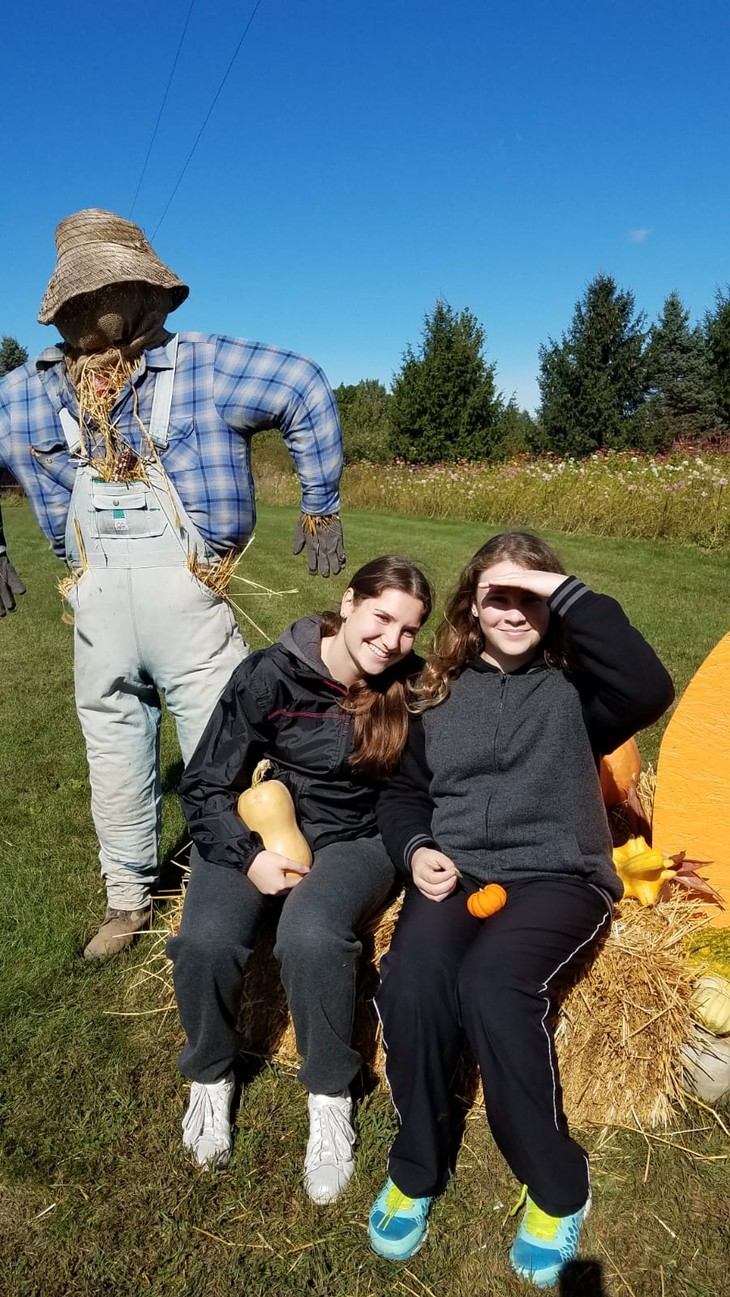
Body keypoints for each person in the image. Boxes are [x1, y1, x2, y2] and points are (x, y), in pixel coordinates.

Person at [0, 208, 345, 959]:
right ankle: (126, 898)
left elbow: (304, 386)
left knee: (232, 750)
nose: (100, 313)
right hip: (95, 615)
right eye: (82, 301)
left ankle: (259, 889)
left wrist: (320, 504)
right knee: (115, 758)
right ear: (61, 310)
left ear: (150, 295)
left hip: (192, 603)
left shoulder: (205, 366)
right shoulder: (24, 394)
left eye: (113, 293)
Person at [367, 532, 674, 1288]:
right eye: (497, 594)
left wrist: (551, 583)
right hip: (460, 872)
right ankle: (417, 1161)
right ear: (472, 604)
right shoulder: (433, 692)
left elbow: (650, 685)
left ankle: (558, 1182)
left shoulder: (579, 691)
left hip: (557, 877)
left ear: (552, 602)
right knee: (410, 980)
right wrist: (415, 849)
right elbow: (403, 793)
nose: (513, 610)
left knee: (494, 986)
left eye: (529, 596)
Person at [168, 555, 432, 1203]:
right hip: (261, 828)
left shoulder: (414, 687)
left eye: (409, 629)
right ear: (348, 604)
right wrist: (246, 852)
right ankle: (210, 1074)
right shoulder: (269, 674)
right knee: (205, 938)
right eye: (381, 617)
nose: (392, 640)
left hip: (357, 838)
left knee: (312, 935)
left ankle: (329, 1096)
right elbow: (204, 782)